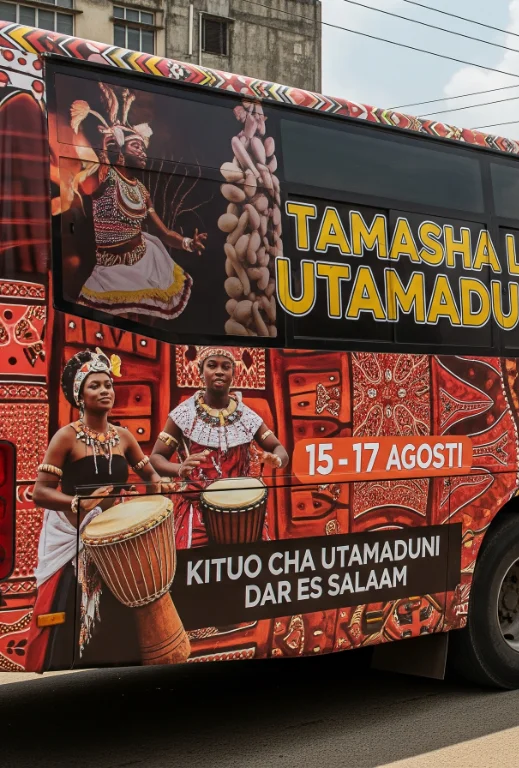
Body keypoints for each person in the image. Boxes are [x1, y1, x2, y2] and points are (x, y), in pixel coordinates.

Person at [25, 348, 171, 670]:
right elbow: (40, 493)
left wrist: (159, 485)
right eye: (95, 386)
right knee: (68, 609)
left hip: (112, 538)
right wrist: (80, 503)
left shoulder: (123, 436)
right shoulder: (66, 437)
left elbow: (149, 474)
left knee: (118, 611)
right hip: (72, 538)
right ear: (80, 395)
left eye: (108, 384)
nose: (104, 391)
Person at [68, 83, 206, 319]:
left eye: (144, 148)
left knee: (139, 322)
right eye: (136, 147)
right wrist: (104, 150)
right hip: (109, 269)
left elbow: (163, 232)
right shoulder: (104, 176)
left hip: (146, 262)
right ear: (120, 150)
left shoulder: (141, 190)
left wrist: (187, 243)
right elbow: (84, 180)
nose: (143, 153)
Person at [151, 347, 289, 548]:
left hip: (243, 510)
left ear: (233, 374)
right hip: (195, 511)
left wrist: (275, 458)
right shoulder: (183, 414)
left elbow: (279, 449)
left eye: (226, 367)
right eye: (212, 365)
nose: (219, 371)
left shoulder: (247, 416)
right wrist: (179, 469)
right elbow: (156, 457)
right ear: (200, 371)